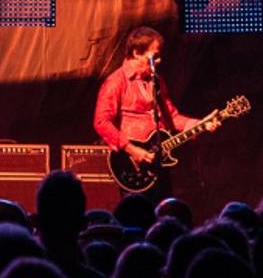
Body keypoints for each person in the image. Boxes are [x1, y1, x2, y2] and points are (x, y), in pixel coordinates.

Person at [93, 26, 218, 200]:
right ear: (136, 52)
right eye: (155, 56)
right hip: (133, 164)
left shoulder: (156, 81)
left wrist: (198, 124)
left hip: (159, 161)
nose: (159, 61)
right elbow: (101, 122)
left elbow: (171, 116)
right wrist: (131, 149)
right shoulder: (116, 82)